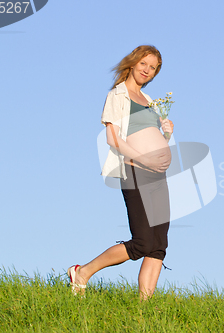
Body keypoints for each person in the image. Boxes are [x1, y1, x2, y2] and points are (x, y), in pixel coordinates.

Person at [67, 45, 174, 300]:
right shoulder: (118, 95)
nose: (148, 70)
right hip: (135, 171)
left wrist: (166, 134)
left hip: (158, 176)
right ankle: (82, 272)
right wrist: (144, 158)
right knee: (142, 243)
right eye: (144, 64)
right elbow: (113, 139)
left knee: (158, 246)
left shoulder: (149, 101)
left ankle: (144, 311)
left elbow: (151, 140)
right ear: (133, 63)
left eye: (153, 68)